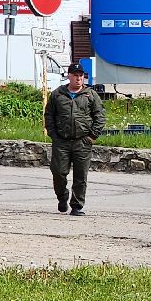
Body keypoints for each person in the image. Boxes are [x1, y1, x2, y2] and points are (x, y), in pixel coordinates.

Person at [43, 63, 106, 216]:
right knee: (58, 172)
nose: (78, 78)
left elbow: (100, 116)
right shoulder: (58, 94)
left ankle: (77, 205)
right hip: (62, 141)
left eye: (81, 76)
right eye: (75, 75)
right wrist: (53, 134)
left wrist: (91, 137)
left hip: (82, 141)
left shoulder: (90, 95)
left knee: (80, 176)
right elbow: (49, 115)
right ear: (69, 76)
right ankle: (62, 197)